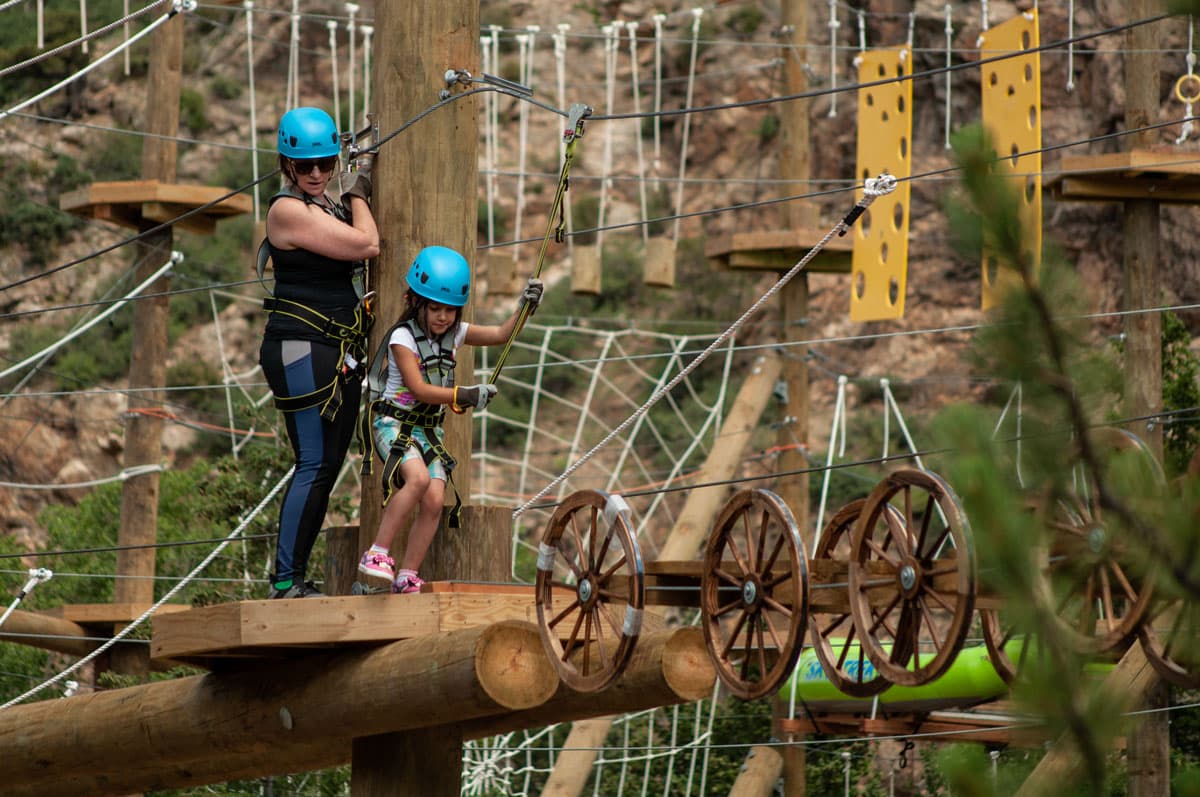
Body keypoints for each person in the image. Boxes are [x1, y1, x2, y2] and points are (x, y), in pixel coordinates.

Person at [358, 245, 542, 594]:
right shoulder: (402, 337)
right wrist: (465, 394)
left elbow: (501, 335)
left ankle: (408, 574)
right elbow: (419, 389)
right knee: (415, 479)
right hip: (392, 423)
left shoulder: (456, 333)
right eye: (435, 308)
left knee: (435, 496)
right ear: (417, 303)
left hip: (427, 429)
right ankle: (377, 553)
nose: (443, 317)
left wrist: (525, 307)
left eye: (450, 311)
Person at [259, 106, 379, 599]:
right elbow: (368, 244)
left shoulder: (326, 206)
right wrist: (356, 189)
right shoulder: (287, 210)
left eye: (325, 164)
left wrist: (354, 185)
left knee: (327, 464)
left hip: (334, 347)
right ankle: (285, 580)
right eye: (303, 167)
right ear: (287, 167)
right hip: (299, 347)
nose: (314, 174)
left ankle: (295, 577)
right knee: (312, 461)